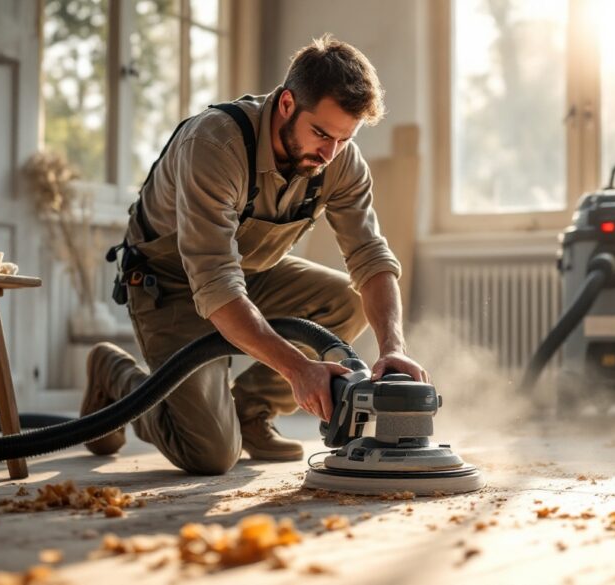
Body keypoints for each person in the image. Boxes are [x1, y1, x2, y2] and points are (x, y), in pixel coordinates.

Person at [80, 35, 427, 475]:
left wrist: (392, 348)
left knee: (345, 300)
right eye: (320, 133)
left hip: (250, 272)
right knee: (209, 454)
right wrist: (299, 368)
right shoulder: (215, 145)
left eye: (344, 139)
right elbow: (215, 282)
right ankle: (117, 376)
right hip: (169, 283)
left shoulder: (339, 159)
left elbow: (371, 257)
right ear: (285, 104)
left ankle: (250, 410)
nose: (329, 153)